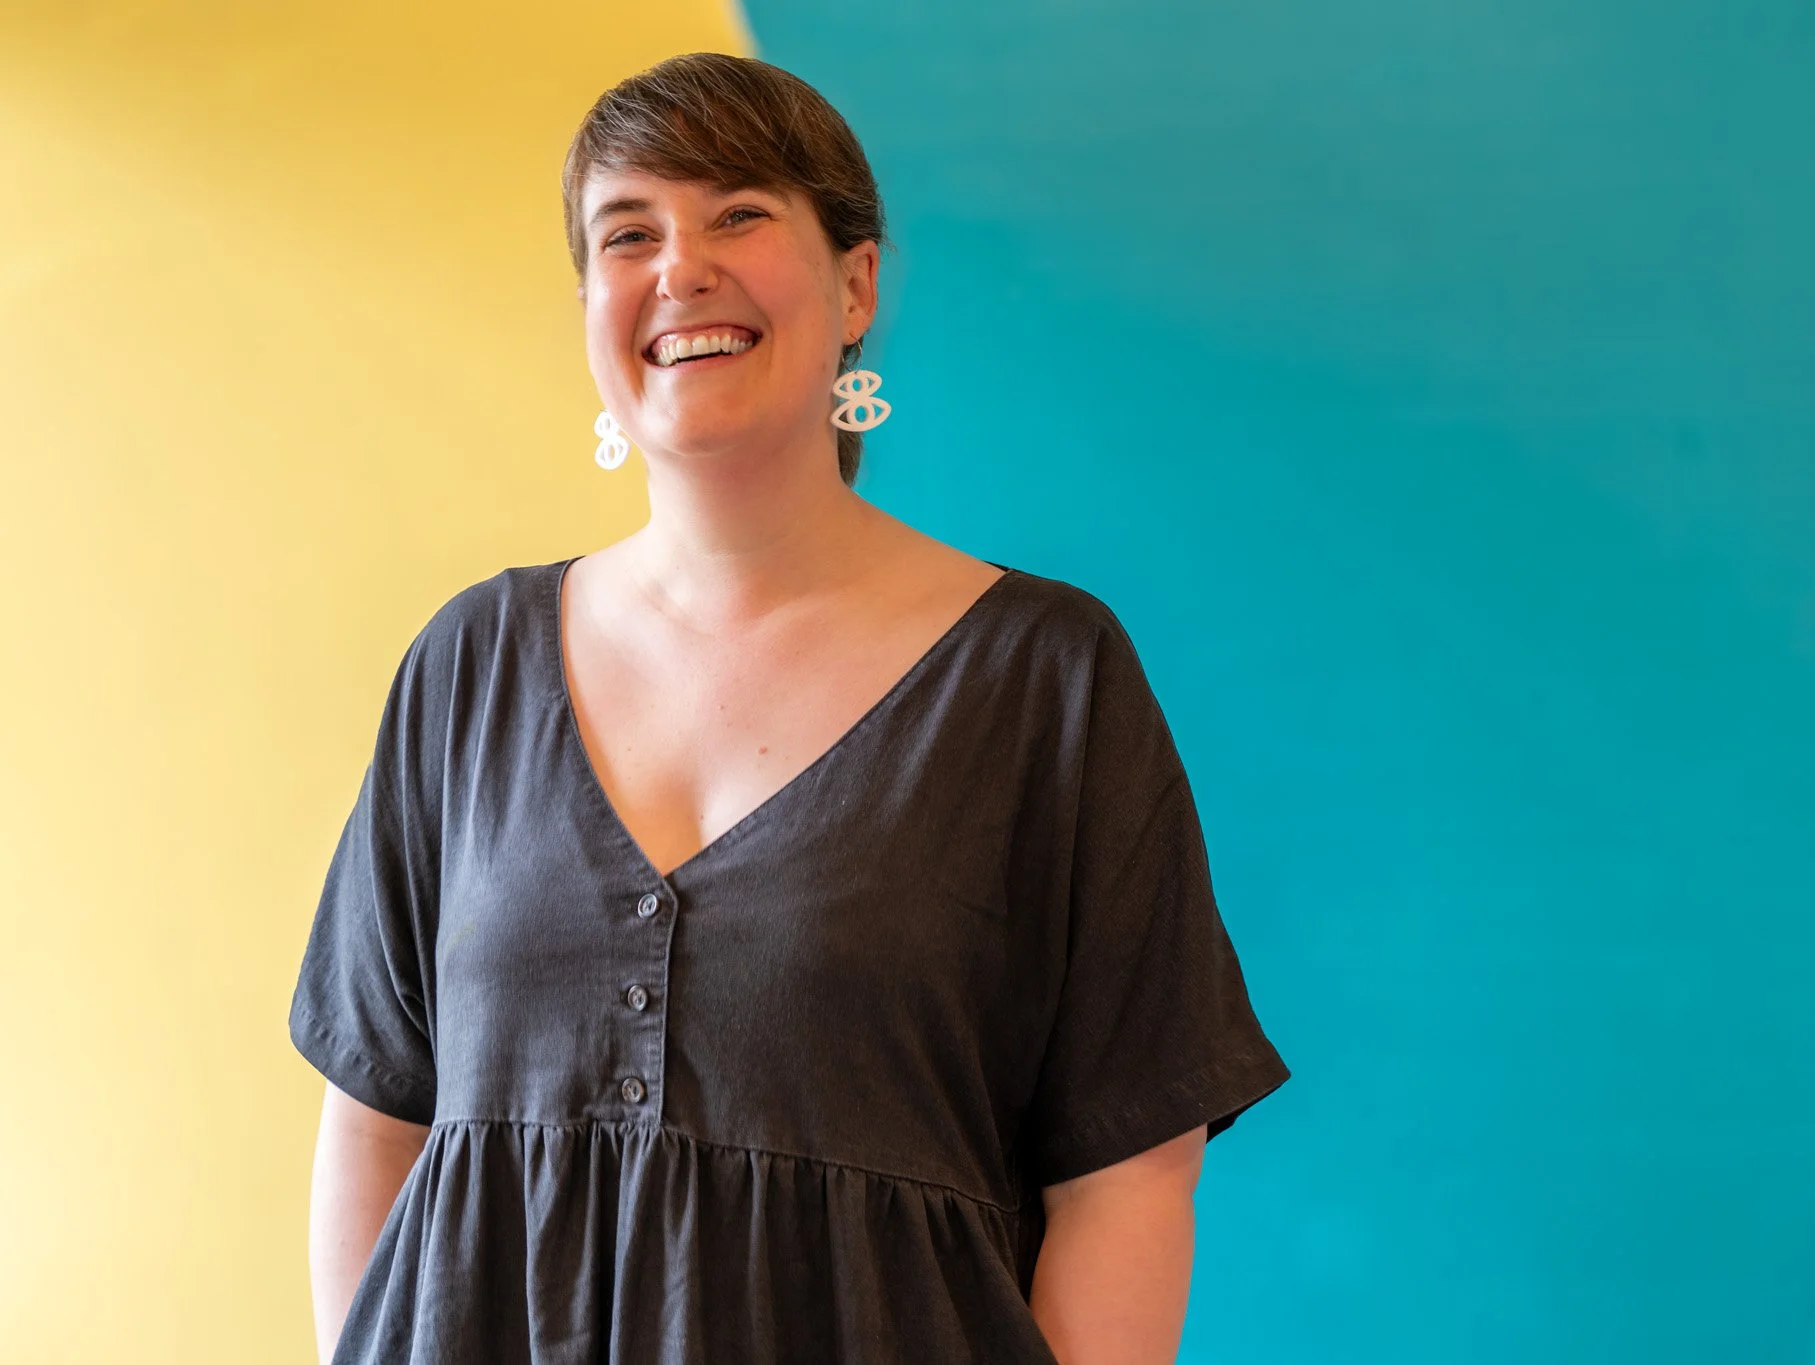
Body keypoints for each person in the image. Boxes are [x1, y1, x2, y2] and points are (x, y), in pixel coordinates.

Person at [290, 51, 1290, 1365]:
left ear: (856, 282)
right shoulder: (469, 665)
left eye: (738, 215)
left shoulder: (1046, 678)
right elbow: (374, 1124)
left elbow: (1128, 1178)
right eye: (628, 233)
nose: (678, 268)